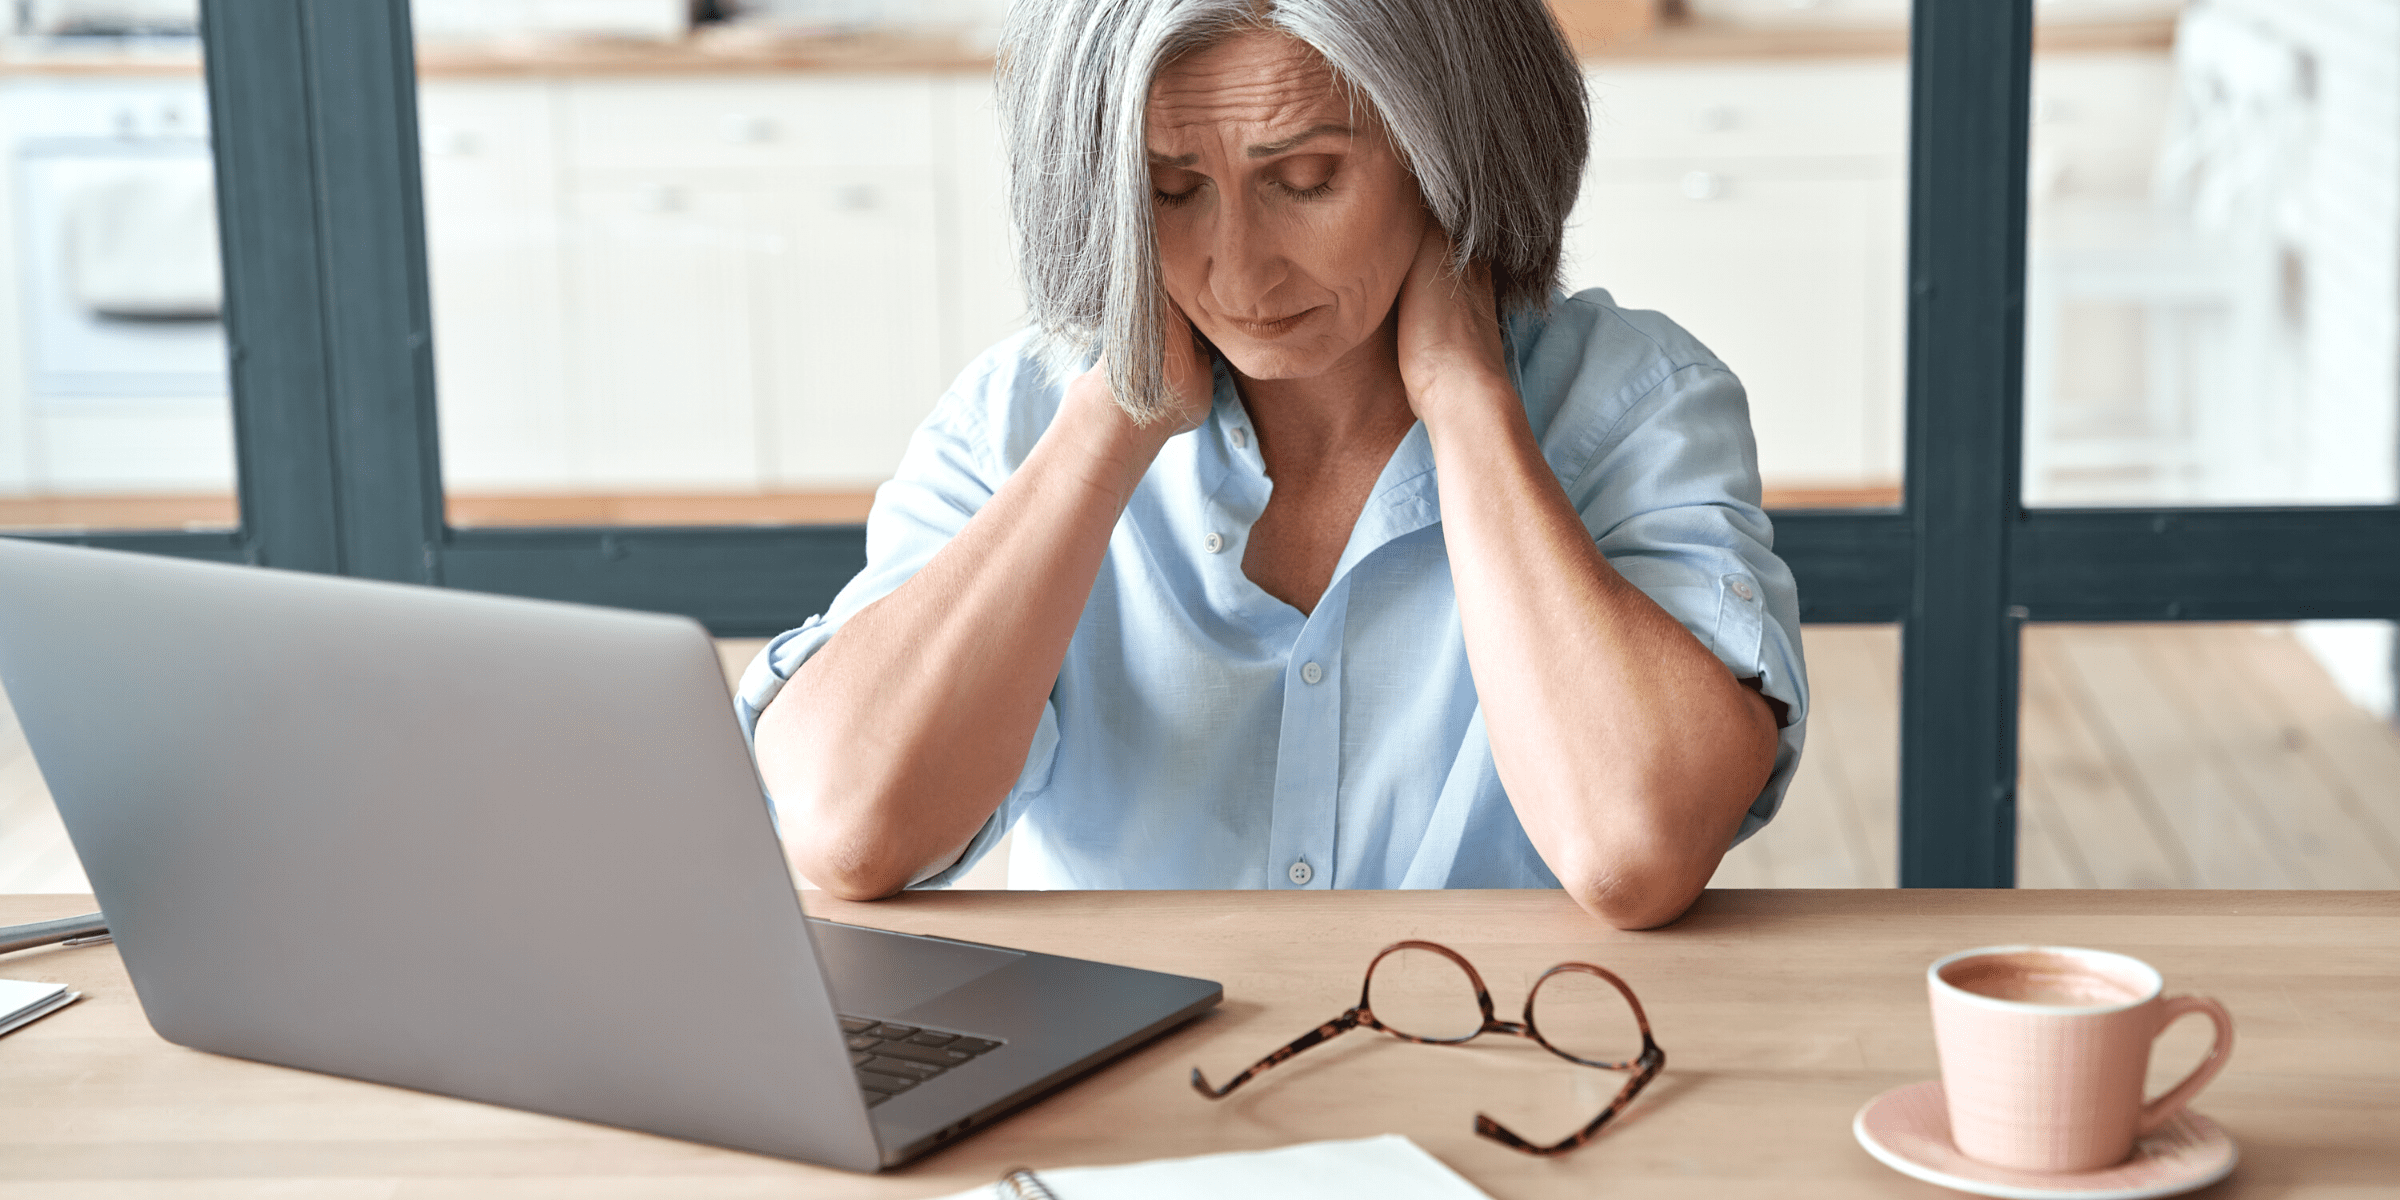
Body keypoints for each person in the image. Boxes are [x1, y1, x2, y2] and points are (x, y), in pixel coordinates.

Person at [738, 0, 1807, 930]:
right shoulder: (1014, 421)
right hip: (1134, 1117)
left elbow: (1634, 851)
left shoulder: (1631, 405)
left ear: (1448, 157)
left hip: (1506, 1090)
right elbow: (848, 832)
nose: (1238, 270)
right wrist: (1113, 427)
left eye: (1305, 179)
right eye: (1168, 192)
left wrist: (1470, 405)